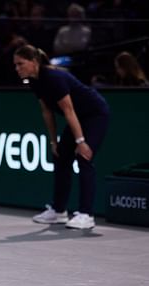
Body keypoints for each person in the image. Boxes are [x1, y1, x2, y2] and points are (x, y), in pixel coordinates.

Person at [13, 44, 109, 229]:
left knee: (84, 158)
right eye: (15, 65)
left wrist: (81, 142)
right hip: (79, 117)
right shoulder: (34, 80)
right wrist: (53, 141)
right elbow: (47, 112)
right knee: (60, 156)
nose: (17, 68)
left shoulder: (54, 77)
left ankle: (86, 215)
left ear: (34, 62)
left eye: (20, 64)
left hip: (95, 114)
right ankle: (59, 212)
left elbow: (68, 110)